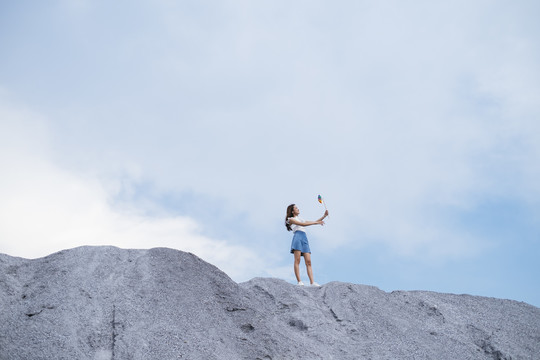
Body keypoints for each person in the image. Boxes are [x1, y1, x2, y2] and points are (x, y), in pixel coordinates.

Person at [285, 204, 328, 286]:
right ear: (292, 211)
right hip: (297, 237)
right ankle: (299, 281)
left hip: (304, 238)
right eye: (296, 208)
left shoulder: (301, 219)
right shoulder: (290, 219)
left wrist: (324, 216)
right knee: (297, 260)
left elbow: (313, 222)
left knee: (308, 262)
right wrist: (317, 222)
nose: (298, 209)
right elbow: (303, 225)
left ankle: (312, 282)